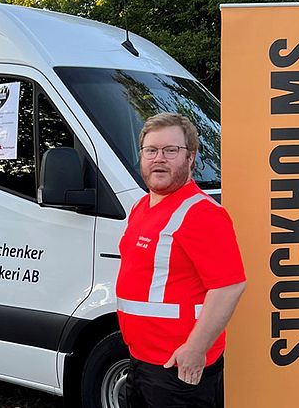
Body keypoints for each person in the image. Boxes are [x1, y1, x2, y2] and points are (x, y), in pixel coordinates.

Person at [116, 112, 247, 407]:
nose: (158, 158)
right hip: (142, 360)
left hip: (178, 368)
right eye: (151, 150)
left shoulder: (202, 214)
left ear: (190, 158)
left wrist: (195, 349)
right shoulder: (142, 206)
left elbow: (229, 287)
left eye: (170, 150)